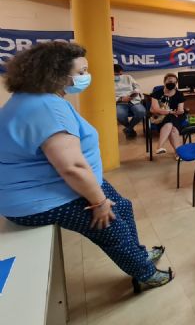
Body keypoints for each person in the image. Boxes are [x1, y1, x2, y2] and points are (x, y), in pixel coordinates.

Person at [0, 42, 172, 290]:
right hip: (41, 197)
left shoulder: (32, 98)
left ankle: (139, 254)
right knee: (110, 228)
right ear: (55, 74)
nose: (85, 77)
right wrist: (99, 203)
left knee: (122, 207)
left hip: (61, 184)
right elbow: (72, 167)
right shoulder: (46, 106)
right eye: (80, 72)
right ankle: (145, 273)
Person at [150, 73, 185, 155]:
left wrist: (179, 111)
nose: (171, 83)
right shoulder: (156, 93)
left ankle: (159, 147)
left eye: (174, 82)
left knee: (171, 123)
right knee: (171, 125)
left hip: (177, 116)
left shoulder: (179, 94)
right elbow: (155, 109)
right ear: (164, 81)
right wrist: (169, 112)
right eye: (169, 81)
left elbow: (180, 109)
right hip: (160, 117)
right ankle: (178, 153)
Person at [113, 64, 145, 139]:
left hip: (133, 100)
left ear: (122, 72)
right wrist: (121, 99)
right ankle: (130, 129)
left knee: (141, 112)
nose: (118, 76)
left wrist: (135, 92)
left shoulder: (128, 77)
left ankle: (128, 129)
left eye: (120, 74)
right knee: (120, 115)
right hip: (120, 102)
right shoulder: (108, 81)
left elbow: (137, 87)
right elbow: (108, 95)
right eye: (115, 74)